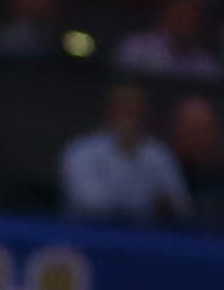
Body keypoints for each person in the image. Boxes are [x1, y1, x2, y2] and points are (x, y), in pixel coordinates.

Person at [60, 85, 190, 225]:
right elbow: (92, 205)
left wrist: (165, 206)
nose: (130, 121)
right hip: (89, 234)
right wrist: (152, 204)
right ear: (110, 114)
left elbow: (181, 205)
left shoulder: (159, 153)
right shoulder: (81, 152)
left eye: (136, 113)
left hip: (146, 236)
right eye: (124, 112)